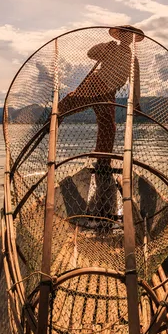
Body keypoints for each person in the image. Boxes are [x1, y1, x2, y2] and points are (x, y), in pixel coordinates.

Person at [57, 25, 144, 227]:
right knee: (73, 103)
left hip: (109, 91)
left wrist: (137, 102)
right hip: (96, 82)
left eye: (129, 37)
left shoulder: (133, 59)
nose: (126, 39)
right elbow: (91, 53)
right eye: (123, 35)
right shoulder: (110, 48)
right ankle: (55, 117)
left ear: (132, 40)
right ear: (119, 36)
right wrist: (105, 46)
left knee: (108, 127)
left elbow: (135, 81)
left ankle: (102, 161)